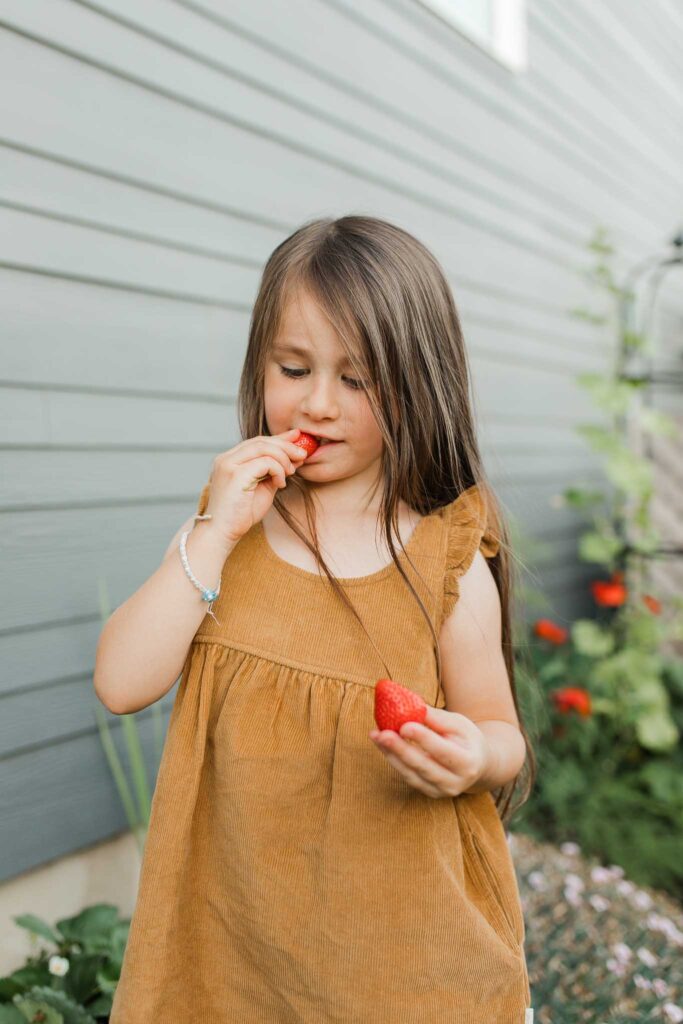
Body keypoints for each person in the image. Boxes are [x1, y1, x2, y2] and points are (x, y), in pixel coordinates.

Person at [97, 215, 536, 1022]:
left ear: (418, 382)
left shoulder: (441, 558)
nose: (318, 404)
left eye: (358, 380)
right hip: (231, 950)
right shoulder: (225, 533)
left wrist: (474, 756)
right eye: (292, 368)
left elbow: (501, 734)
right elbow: (121, 683)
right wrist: (216, 532)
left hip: (396, 961)